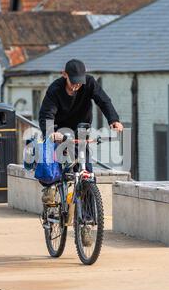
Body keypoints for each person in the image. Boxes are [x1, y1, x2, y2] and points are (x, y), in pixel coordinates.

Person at [38, 59, 123, 204]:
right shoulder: (55, 89)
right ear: (64, 75)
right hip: (60, 131)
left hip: (80, 130)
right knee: (53, 166)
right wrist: (51, 132)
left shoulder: (89, 83)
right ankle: (51, 188)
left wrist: (113, 120)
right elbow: (46, 114)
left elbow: (103, 101)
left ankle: (87, 218)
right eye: (73, 82)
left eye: (79, 83)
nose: (76, 86)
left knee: (87, 173)